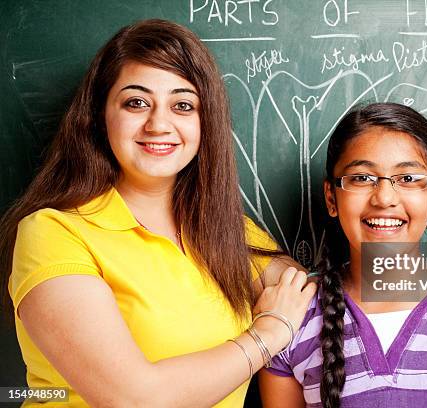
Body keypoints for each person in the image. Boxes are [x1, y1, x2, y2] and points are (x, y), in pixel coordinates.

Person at [0, 19, 317, 407]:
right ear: (101, 116)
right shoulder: (52, 233)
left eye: (183, 105)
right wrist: (268, 332)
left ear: (205, 123)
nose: (159, 124)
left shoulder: (223, 229)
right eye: (136, 102)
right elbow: (134, 399)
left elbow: (305, 293)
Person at [259, 103, 427, 407]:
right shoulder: (292, 318)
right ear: (331, 197)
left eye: (408, 178)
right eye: (362, 178)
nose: (385, 198)